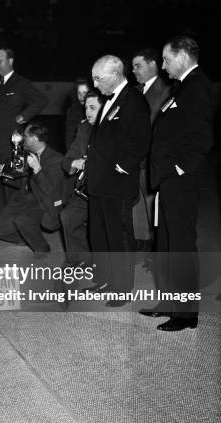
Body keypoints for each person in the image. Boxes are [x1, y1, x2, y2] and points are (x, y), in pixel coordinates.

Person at [143, 36, 214, 331]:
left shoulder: (197, 88)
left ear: (182, 57)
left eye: (166, 59)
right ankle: (170, 302)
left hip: (179, 181)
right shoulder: (181, 87)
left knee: (181, 245)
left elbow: (200, 139)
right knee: (168, 244)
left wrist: (177, 169)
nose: (162, 65)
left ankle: (187, 315)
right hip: (168, 180)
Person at [86, 55, 151, 306]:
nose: (95, 83)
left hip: (116, 181)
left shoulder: (134, 100)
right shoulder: (109, 100)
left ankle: (123, 288)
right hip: (99, 181)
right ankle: (105, 280)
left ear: (115, 75)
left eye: (98, 78)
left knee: (119, 236)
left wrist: (122, 166)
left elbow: (141, 140)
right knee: (101, 234)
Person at [0, 48, 48, 220]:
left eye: (0, 60)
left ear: (11, 61)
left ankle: (12, 224)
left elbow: (41, 100)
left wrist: (24, 116)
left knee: (11, 183)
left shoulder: (21, 83)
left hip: (10, 143)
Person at [0, 123, 65, 253]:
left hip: (43, 202)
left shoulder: (57, 160)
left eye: (26, 136)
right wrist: (5, 173)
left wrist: (37, 169)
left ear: (34, 139)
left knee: (22, 220)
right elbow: (23, 182)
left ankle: (42, 248)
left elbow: (49, 190)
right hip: (25, 198)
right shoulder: (28, 155)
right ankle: (25, 239)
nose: (23, 139)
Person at [131, 48, 172, 251]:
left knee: (152, 207)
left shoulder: (166, 90)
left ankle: (155, 247)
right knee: (138, 207)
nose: (134, 70)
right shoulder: (136, 90)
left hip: (152, 158)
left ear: (153, 64)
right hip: (135, 158)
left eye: (138, 66)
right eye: (132, 66)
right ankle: (144, 245)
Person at [59, 90, 103, 267]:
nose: (88, 112)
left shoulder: (115, 128)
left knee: (100, 227)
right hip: (86, 189)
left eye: (93, 107)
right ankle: (79, 260)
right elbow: (67, 159)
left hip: (108, 190)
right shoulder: (84, 128)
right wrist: (74, 162)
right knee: (68, 216)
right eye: (86, 108)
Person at [64, 78, 90, 150]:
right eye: (79, 93)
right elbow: (69, 137)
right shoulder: (72, 111)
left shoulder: (101, 108)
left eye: (85, 92)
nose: (81, 97)